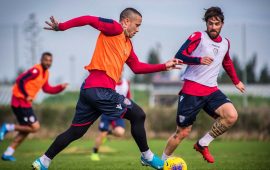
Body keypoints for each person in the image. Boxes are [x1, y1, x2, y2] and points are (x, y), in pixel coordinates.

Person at [32, 8, 182, 170]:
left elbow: (137, 67)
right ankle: (147, 157)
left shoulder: (127, 44)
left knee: (76, 132)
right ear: (126, 22)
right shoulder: (115, 29)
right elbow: (89, 19)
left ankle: (43, 161)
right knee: (138, 114)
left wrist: (164, 66)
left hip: (89, 90)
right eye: (137, 25)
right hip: (100, 90)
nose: (138, 29)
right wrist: (62, 26)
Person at [161, 7, 245, 163]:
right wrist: (198, 59)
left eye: (216, 23)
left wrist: (236, 81)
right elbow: (179, 56)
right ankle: (162, 161)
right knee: (183, 132)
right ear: (206, 23)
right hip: (192, 90)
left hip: (212, 90)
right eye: (210, 23)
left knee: (231, 116)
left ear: (222, 24)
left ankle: (203, 143)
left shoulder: (226, 43)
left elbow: (226, 62)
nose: (213, 27)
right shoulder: (198, 36)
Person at [0, 52, 68, 161]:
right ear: (41, 60)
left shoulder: (46, 74)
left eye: (50, 61)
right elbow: (20, 80)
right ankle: (7, 127)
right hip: (20, 101)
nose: (48, 62)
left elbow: (47, 89)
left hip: (25, 103)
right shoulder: (36, 70)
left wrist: (60, 87)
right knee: (35, 127)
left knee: (27, 130)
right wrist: (26, 95)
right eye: (46, 60)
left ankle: (8, 153)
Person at [90, 77, 131, 161]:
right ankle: (94, 153)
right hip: (107, 112)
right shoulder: (109, 82)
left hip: (118, 113)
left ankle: (108, 133)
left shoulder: (126, 83)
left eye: (121, 70)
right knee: (102, 134)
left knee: (120, 133)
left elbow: (128, 98)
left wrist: (128, 106)